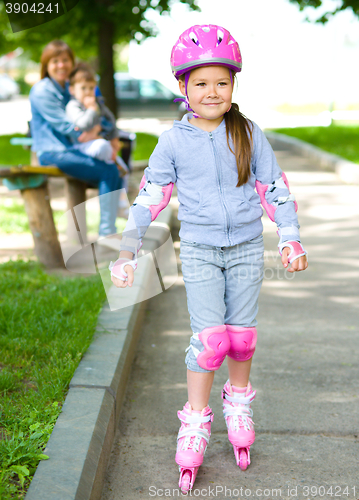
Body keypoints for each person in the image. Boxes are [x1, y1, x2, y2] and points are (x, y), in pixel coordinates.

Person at [109, 25, 308, 492]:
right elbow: (150, 197)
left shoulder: (248, 132)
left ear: (233, 85)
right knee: (210, 340)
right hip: (199, 249)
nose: (211, 92)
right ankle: (197, 420)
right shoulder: (173, 141)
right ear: (184, 88)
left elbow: (273, 188)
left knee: (241, 338)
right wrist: (126, 249)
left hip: (244, 247)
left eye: (221, 82)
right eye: (200, 83)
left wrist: (290, 237)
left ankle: (237, 401)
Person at [29, 40, 122, 242]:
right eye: (55, 61)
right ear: (46, 64)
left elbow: (101, 114)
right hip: (54, 153)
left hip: (74, 150)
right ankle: (107, 233)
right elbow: (69, 128)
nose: (61, 65)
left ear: (72, 63)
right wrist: (93, 129)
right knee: (108, 171)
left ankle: (109, 230)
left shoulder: (72, 87)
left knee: (113, 168)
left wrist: (108, 134)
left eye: (65, 60)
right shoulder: (42, 91)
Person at [65, 62, 129, 177]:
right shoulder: (73, 106)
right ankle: (110, 168)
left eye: (91, 88)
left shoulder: (98, 104)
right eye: (83, 88)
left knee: (124, 170)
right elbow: (84, 124)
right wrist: (91, 110)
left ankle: (119, 189)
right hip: (81, 147)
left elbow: (110, 120)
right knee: (102, 147)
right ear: (72, 90)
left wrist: (114, 140)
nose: (88, 92)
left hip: (100, 141)